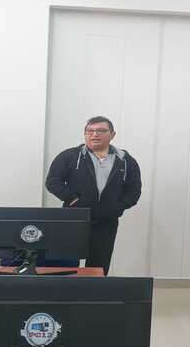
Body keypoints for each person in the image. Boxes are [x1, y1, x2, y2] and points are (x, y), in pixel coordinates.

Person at [45, 116, 141, 275]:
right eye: (90, 131)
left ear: (112, 134)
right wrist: (72, 198)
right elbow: (53, 181)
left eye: (101, 130)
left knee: (98, 267)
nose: (95, 134)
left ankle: (93, 291)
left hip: (106, 221)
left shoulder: (125, 160)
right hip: (73, 219)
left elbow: (134, 190)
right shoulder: (69, 156)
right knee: (65, 265)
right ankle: (65, 290)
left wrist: (119, 206)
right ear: (85, 134)